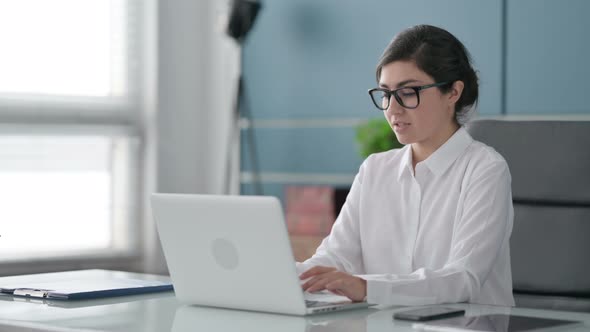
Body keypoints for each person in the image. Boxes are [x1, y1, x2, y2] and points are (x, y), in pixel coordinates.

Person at [297, 24, 514, 306]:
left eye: (408, 92)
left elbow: (463, 278)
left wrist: (366, 287)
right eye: (385, 93)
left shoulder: (485, 170)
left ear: (453, 92)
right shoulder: (375, 170)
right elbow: (336, 257)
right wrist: (279, 276)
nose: (392, 108)